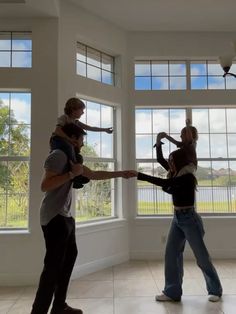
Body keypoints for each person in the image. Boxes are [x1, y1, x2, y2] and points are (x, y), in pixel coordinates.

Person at [31, 123, 134, 314]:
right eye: (81, 140)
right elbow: (45, 185)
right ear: (72, 139)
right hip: (54, 217)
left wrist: (122, 174)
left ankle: (59, 306)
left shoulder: (71, 158)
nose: (82, 145)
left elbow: (93, 174)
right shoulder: (58, 155)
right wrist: (71, 174)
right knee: (52, 268)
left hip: (65, 216)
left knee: (69, 257)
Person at [131, 135, 222, 303]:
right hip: (177, 218)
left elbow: (163, 184)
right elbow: (160, 159)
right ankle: (172, 292)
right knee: (171, 254)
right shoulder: (175, 172)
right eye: (169, 160)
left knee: (202, 257)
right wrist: (158, 142)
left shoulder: (186, 177)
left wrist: (139, 175)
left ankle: (215, 289)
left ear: (179, 161)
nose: (169, 163)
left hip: (190, 219)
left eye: (172, 160)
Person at [50, 97, 113, 189]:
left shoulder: (76, 122)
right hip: (57, 140)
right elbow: (57, 130)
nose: (83, 112)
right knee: (70, 149)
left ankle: (78, 176)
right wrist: (70, 139)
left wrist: (104, 130)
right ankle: (75, 175)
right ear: (73, 109)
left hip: (66, 142)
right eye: (81, 110)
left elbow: (90, 128)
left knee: (78, 156)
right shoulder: (64, 118)